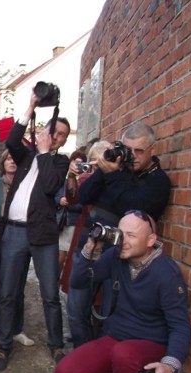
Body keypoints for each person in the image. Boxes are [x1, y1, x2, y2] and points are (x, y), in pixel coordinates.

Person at [55, 211, 191, 373]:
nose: (123, 240)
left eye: (131, 235)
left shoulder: (166, 273)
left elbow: (181, 326)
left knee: (124, 353)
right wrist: (90, 248)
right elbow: (77, 281)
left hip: (149, 343)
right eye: (120, 233)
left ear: (150, 240)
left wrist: (170, 365)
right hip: (116, 338)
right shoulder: (116, 257)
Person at [66, 123, 171, 348]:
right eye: (128, 149)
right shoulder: (116, 169)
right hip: (89, 248)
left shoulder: (158, 181)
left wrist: (113, 175)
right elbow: (84, 196)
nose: (132, 156)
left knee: (108, 316)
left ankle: (97, 359)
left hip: (119, 259)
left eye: (139, 151)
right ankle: (83, 355)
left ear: (153, 149)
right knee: (76, 309)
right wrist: (104, 170)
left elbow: (134, 208)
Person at [0, 92, 70, 371]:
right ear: (45, 130)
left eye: (61, 135)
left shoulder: (59, 162)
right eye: (54, 131)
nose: (57, 137)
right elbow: (11, 140)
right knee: (7, 292)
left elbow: (51, 186)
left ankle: (56, 345)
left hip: (43, 237)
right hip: (14, 233)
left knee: (50, 293)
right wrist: (30, 107)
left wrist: (43, 153)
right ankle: (4, 345)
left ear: (62, 140)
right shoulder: (25, 155)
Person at [0, 144, 32, 351]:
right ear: (2, 163)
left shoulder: (26, 186)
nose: (12, 160)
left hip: (21, 239)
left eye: (15, 158)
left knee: (18, 288)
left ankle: (16, 329)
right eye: (7, 158)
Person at [56, 150, 87, 271]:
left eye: (81, 163)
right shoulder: (63, 179)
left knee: (71, 257)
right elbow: (53, 195)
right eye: (76, 162)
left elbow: (83, 203)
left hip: (75, 223)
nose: (78, 166)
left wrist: (71, 203)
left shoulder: (83, 180)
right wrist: (60, 200)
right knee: (60, 256)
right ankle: (56, 281)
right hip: (62, 222)